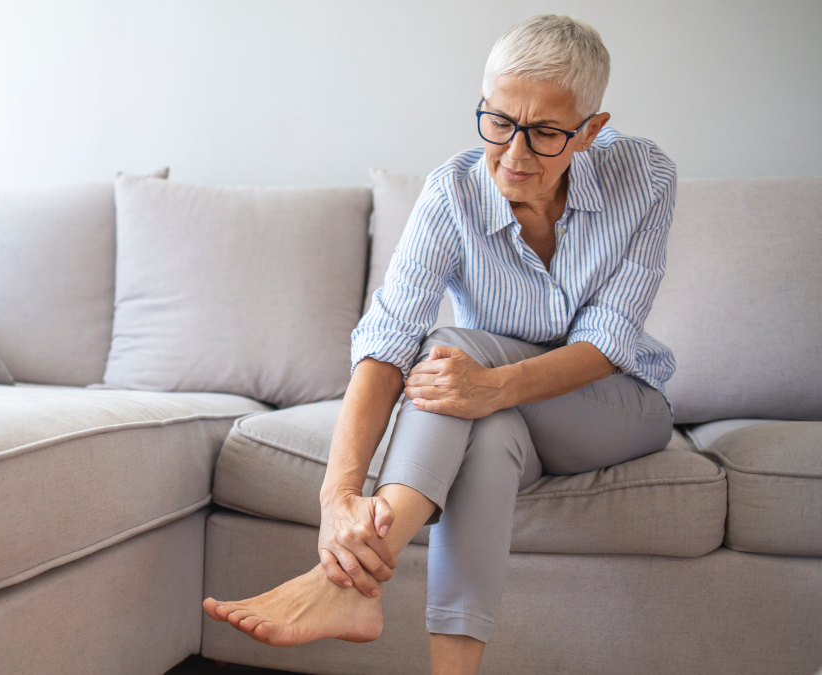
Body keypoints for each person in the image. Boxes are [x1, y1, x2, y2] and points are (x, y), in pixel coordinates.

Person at [203, 14, 677, 675]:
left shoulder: (645, 175)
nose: (514, 153)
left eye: (544, 133)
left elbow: (610, 338)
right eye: (498, 121)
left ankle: (341, 585)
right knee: (484, 436)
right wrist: (336, 499)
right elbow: (386, 342)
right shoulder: (450, 191)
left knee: (453, 348)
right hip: (507, 419)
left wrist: (491, 385)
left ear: (590, 131)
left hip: (617, 407)